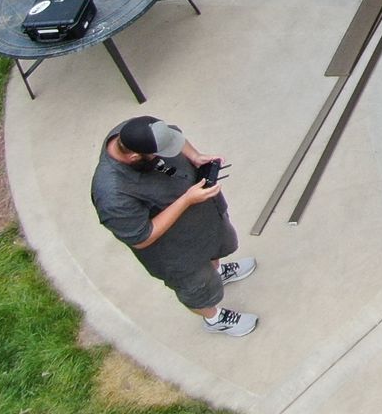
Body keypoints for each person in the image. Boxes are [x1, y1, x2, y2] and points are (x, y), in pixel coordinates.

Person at [90, 115, 259, 336]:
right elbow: (142, 237)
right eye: (157, 154)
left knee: (216, 246)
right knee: (197, 286)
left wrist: (195, 156)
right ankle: (214, 319)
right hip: (176, 250)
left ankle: (218, 271)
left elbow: (175, 137)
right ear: (133, 157)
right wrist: (187, 200)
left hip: (201, 219)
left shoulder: (137, 131)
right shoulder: (111, 193)